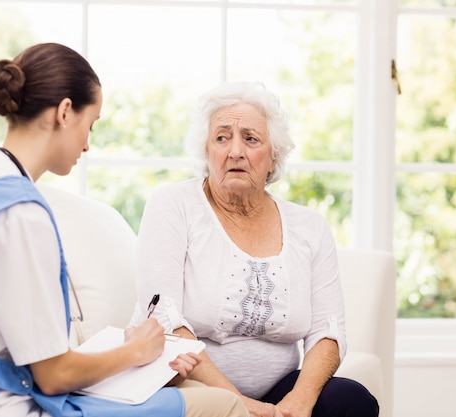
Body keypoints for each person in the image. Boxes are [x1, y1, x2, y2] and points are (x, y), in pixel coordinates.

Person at [0, 43, 248, 417]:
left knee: (188, 385)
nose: (87, 144)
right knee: (224, 404)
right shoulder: (19, 214)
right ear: (65, 112)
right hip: (9, 408)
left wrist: (125, 351)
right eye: (91, 125)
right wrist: (135, 352)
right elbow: (53, 376)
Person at [132, 81, 380, 417]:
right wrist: (241, 405)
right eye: (222, 137)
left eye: (250, 139)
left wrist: (299, 402)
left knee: (350, 400)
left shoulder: (310, 226)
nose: (235, 151)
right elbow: (164, 317)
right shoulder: (173, 205)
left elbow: (328, 331)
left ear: (273, 155)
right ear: (207, 151)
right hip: (190, 385)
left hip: (279, 393)